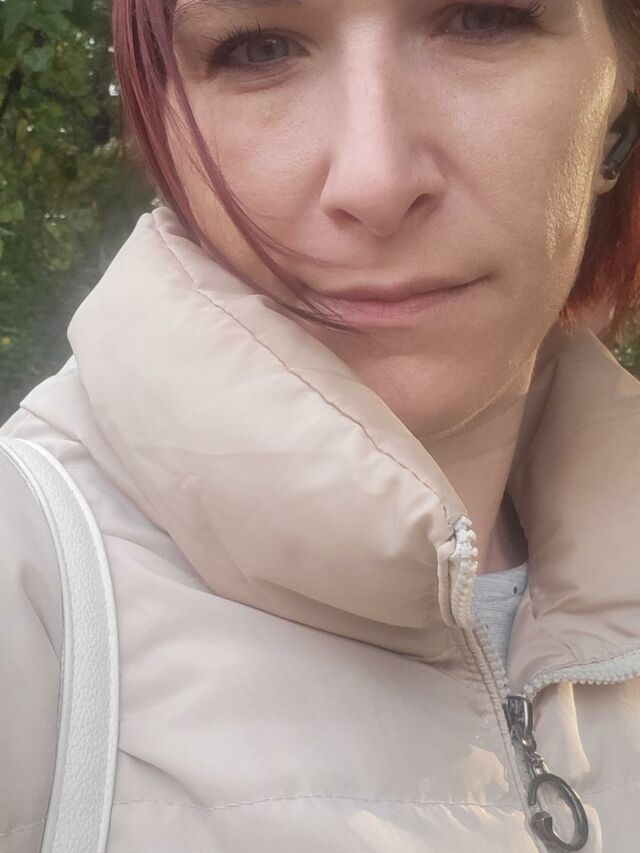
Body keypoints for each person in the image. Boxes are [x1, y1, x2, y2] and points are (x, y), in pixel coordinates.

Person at [2, 0, 640, 850]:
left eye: (483, 20)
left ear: (619, 99)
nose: (375, 182)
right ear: (162, 127)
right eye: (258, 49)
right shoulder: (24, 584)